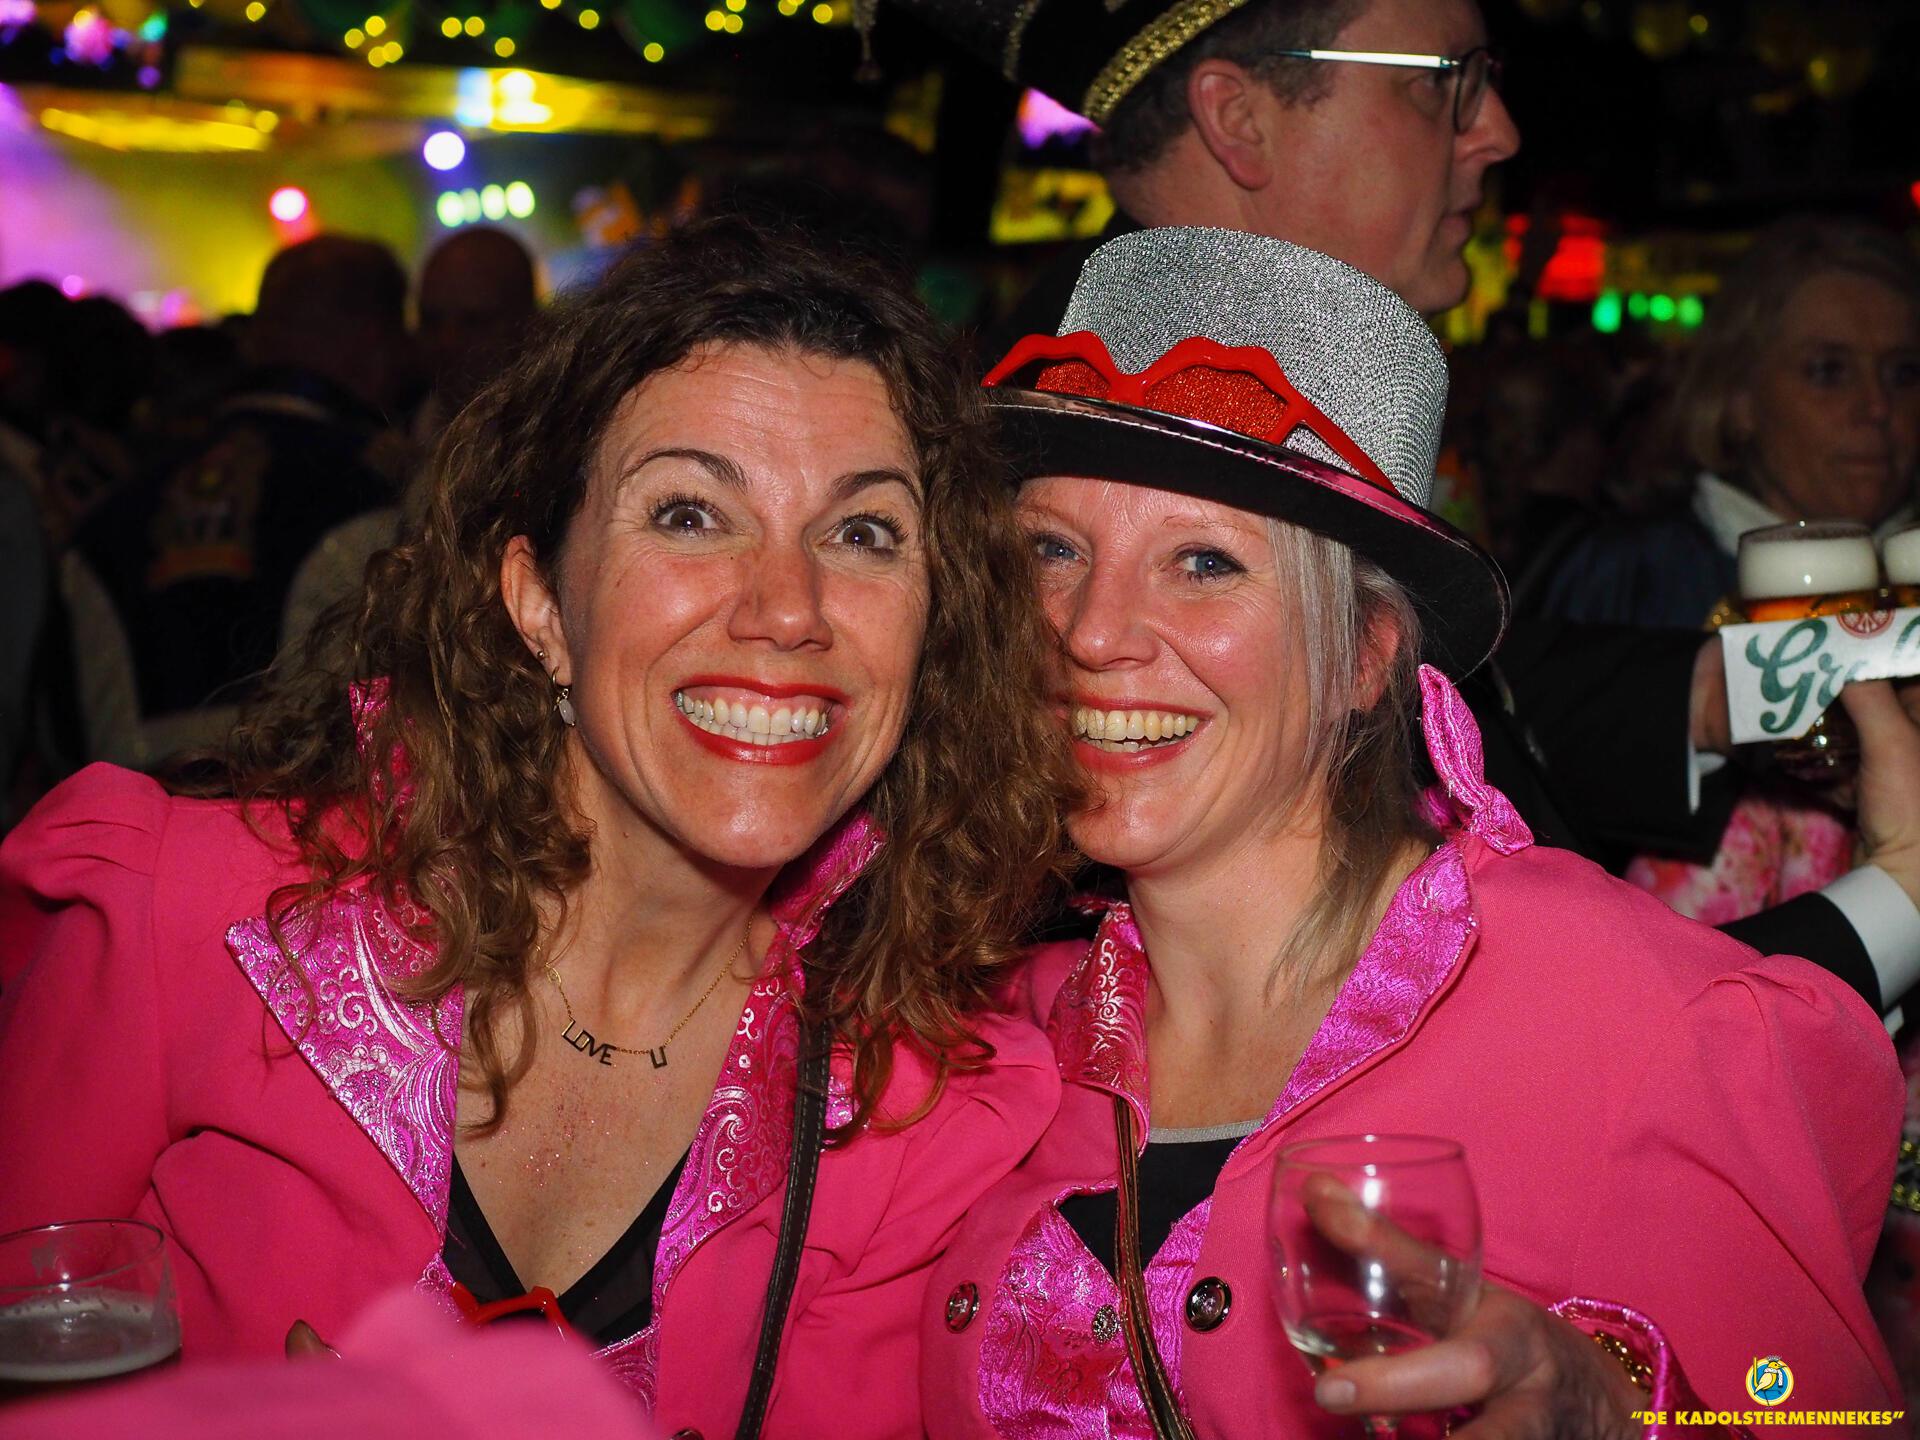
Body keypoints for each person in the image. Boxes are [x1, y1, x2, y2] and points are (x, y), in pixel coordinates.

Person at [0, 217, 1078, 1438]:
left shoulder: (920, 1113)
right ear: (540, 604)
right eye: (690, 514)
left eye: (863, 533)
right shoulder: (190, 920)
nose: (789, 609)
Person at [917, 227, 1902, 1435]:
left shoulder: (1631, 1019)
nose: (1090, 631)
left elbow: (1812, 1411)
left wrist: (1616, 1413)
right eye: (1053, 549)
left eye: (1205, 563)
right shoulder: (1000, 1035)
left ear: (1367, 658)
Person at [896, 0, 1920, 1019]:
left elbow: (1453, 685)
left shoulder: (1261, 419)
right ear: (1241, 121)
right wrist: (1902, 895)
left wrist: (1752, 687)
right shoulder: (1046, 437)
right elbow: (1509, 1056)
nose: (1498, 131)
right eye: (1445, 82)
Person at [66, 236, 411, 766]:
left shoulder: (111, 515)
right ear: (376, 342)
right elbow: (393, 741)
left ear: (257, 337)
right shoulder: (382, 491)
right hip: (306, 809)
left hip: (126, 809)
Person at [414, 227, 540, 441]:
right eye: (432, 321)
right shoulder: (406, 433)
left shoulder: (561, 437)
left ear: (528, 326)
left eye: (474, 322)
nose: (447, 341)